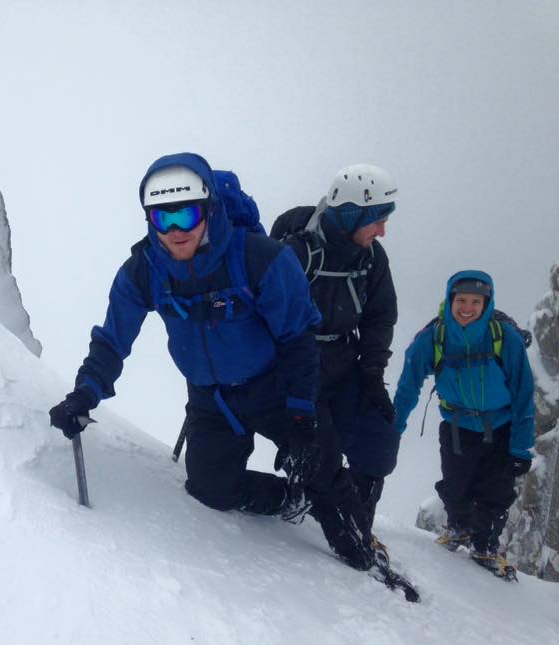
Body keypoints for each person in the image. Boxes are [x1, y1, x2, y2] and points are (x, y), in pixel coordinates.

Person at [49, 152, 377, 570]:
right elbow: (113, 340)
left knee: (322, 469)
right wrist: (85, 392)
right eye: (161, 219)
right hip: (211, 399)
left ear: (208, 209)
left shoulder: (262, 259)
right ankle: (291, 498)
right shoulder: (144, 272)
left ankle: (362, 555)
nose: (174, 231)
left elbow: (298, 340)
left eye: (185, 216)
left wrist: (302, 420)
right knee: (211, 490)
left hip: (274, 387)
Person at [269, 164, 401, 552]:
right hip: (297, 367)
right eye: (376, 220)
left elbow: (381, 316)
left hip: (345, 362)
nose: (382, 231)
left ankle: (360, 520)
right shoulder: (298, 252)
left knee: (379, 440)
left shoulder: (371, 258)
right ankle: (341, 529)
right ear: (350, 214)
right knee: (318, 450)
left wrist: (373, 373)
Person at [393, 271, 535, 577]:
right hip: (458, 428)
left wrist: (521, 449)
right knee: (455, 487)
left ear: (486, 303)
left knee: (496, 492)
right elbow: (408, 385)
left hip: (502, 429)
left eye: (475, 301)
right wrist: (394, 427)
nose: (467, 307)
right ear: (450, 300)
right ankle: (457, 528)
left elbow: (524, 394)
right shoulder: (435, 337)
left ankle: (485, 546)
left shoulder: (503, 337)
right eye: (461, 300)